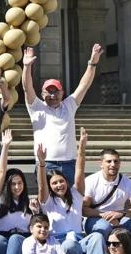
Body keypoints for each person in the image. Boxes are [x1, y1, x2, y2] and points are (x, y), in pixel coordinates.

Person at [22, 43, 103, 185]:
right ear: (42, 94)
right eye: (48, 92)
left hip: (69, 164)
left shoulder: (69, 105)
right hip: (45, 164)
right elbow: (27, 88)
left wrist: (92, 63)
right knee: (46, 202)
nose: (52, 95)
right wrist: (27, 67)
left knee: (71, 201)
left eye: (56, 92)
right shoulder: (36, 107)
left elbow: (84, 85)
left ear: (62, 93)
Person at [80, 138, 131, 241]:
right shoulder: (91, 181)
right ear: (101, 163)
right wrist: (103, 215)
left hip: (121, 217)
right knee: (104, 227)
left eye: (116, 161)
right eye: (109, 161)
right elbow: (84, 209)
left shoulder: (127, 182)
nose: (113, 164)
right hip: (97, 218)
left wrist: (121, 214)